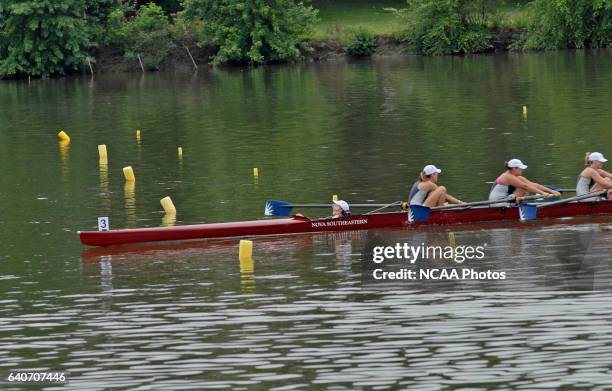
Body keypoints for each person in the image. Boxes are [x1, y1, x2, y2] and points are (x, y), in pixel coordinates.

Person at [489, 158, 559, 203]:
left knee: (528, 187)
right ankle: (519, 207)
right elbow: (526, 186)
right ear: (514, 168)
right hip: (497, 203)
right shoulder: (507, 176)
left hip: (506, 199)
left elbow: (533, 185)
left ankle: (519, 205)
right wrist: (543, 194)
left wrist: (551, 191)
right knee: (524, 189)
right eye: (520, 168)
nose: (522, 169)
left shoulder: (516, 177)